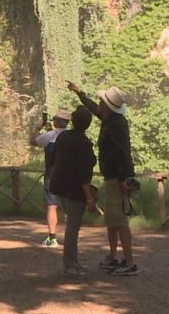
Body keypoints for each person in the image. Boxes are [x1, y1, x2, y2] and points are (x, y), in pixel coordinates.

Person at [68, 82, 138, 276]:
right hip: (112, 176)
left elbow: (124, 153)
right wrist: (80, 94)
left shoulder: (116, 125)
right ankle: (114, 256)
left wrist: (126, 178)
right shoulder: (110, 120)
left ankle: (129, 262)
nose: (99, 103)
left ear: (108, 105)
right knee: (112, 220)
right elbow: (95, 109)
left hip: (117, 178)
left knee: (120, 221)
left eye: (102, 101)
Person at [49, 106, 97, 277]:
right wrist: (89, 198)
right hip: (74, 190)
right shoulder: (83, 143)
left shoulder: (63, 137)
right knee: (72, 227)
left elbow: (54, 159)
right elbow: (84, 174)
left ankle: (73, 262)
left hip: (59, 186)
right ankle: (69, 264)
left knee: (71, 225)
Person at [29, 109, 71, 247]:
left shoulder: (49, 136)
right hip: (68, 174)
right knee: (69, 206)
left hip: (52, 174)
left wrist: (38, 127)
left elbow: (33, 141)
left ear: (56, 121)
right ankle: (71, 236)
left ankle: (52, 237)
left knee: (51, 206)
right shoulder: (72, 136)